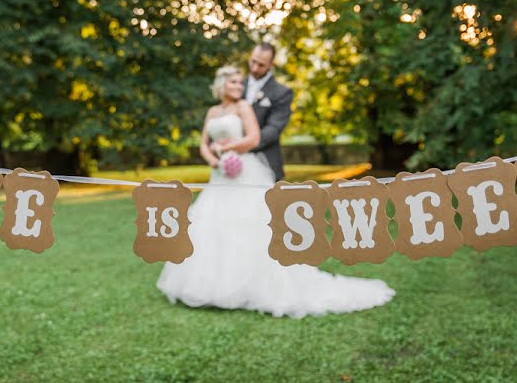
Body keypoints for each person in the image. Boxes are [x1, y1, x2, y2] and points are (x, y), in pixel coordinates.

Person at [156, 64, 395, 318]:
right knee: (210, 225)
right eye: (233, 83)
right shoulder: (213, 112)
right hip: (219, 175)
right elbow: (204, 144)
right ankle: (211, 286)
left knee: (250, 226)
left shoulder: (244, 108)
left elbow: (254, 138)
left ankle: (252, 287)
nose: (238, 87)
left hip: (243, 172)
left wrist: (229, 149)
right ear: (221, 85)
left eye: (240, 82)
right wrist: (215, 160)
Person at [242, 42, 292, 182]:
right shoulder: (236, 85)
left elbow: (274, 128)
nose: (255, 68)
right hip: (233, 163)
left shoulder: (282, 93)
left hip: (266, 162)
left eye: (261, 65)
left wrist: (243, 145)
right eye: (253, 61)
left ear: (271, 65)